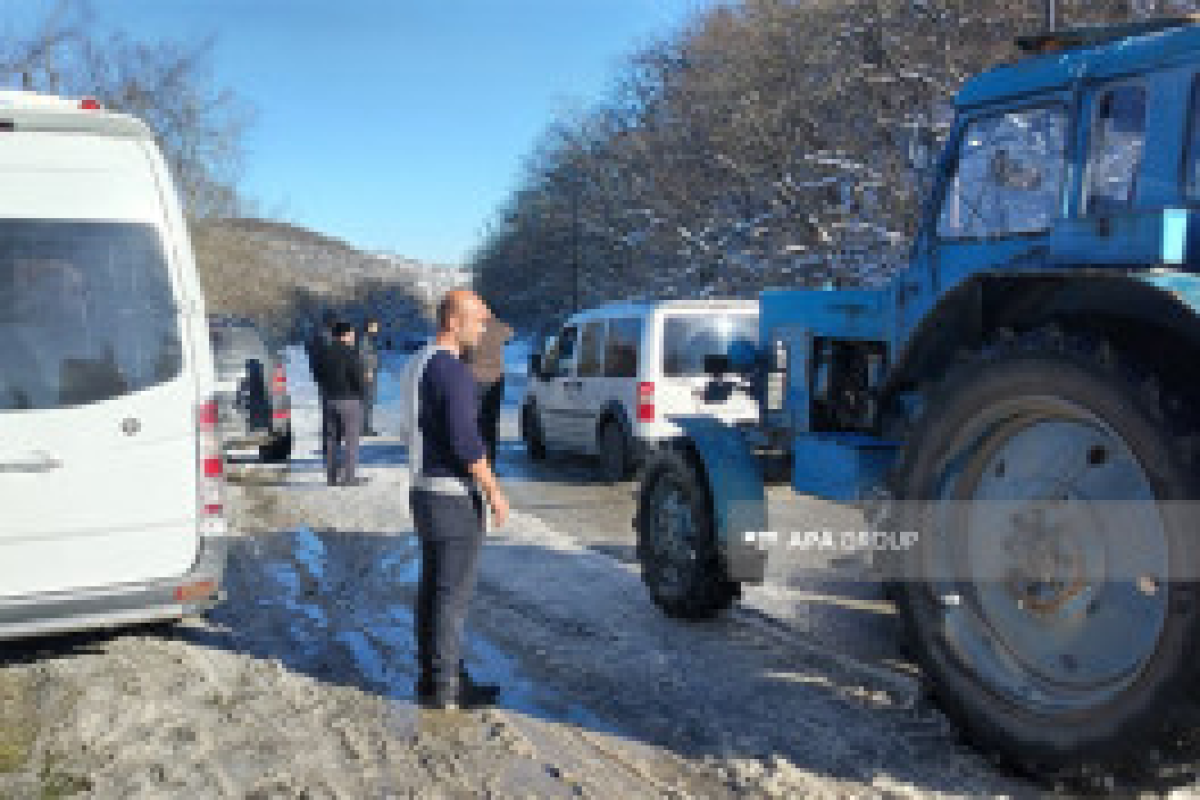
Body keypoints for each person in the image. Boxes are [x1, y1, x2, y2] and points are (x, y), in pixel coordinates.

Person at [400, 289, 510, 710]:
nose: (484, 330)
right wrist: (493, 490)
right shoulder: (453, 372)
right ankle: (447, 686)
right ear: (453, 321)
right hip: (450, 496)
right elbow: (466, 443)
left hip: (423, 490)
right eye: (479, 321)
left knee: (433, 588)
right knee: (451, 596)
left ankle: (433, 676)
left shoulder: (420, 362)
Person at [322, 321, 369, 487]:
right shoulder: (351, 353)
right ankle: (349, 478)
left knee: (331, 439)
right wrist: (363, 394)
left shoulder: (324, 352)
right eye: (352, 334)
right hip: (349, 400)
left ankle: (331, 477)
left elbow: (318, 375)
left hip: (329, 399)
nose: (354, 337)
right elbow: (357, 377)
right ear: (345, 335)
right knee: (351, 440)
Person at [463, 316, 514, 467]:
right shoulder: (498, 328)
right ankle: (489, 461)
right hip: (495, 380)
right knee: (491, 421)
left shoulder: (469, 329)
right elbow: (510, 335)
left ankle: (473, 460)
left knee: (473, 421)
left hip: (475, 379)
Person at [305, 311, 337, 454]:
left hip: (325, 380)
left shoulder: (319, 337)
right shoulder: (324, 338)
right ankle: (329, 445)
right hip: (328, 380)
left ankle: (329, 444)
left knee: (329, 413)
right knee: (330, 414)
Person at [358, 316, 382, 437]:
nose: (377, 328)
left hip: (371, 372)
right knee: (367, 400)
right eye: (374, 325)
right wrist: (367, 370)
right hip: (368, 373)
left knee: (369, 400)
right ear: (369, 326)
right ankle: (364, 428)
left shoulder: (370, 339)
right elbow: (363, 355)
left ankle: (366, 426)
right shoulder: (364, 339)